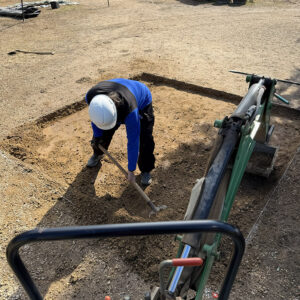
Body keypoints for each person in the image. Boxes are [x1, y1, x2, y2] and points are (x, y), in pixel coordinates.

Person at [85, 78, 155, 186]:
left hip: (142, 101)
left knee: (145, 138)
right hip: (116, 92)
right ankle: (98, 153)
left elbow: (133, 141)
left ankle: (146, 168)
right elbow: (96, 121)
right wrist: (98, 137)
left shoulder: (131, 112)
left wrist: (131, 170)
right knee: (101, 136)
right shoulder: (91, 97)